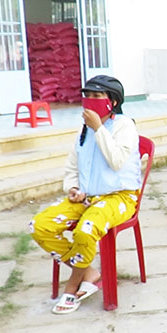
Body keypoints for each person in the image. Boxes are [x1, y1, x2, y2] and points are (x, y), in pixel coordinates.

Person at [29, 75, 141, 314]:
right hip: (88, 196)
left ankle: (71, 286)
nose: (90, 101)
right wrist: (73, 188)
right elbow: (73, 165)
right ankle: (88, 271)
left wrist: (99, 129)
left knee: (85, 230)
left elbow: (117, 161)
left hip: (119, 198)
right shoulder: (84, 129)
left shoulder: (124, 125)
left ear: (112, 101)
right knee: (40, 225)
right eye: (87, 95)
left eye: (97, 96)